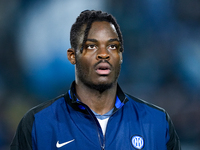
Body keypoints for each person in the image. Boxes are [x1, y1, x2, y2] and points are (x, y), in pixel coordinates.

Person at [10, 10, 181, 150]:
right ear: (72, 56)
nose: (103, 54)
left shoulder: (157, 122)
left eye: (112, 46)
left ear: (120, 56)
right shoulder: (37, 124)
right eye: (91, 46)